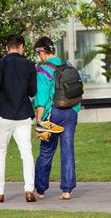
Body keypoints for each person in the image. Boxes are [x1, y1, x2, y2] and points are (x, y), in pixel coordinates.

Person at [0, 34, 37, 203]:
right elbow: (33, 91)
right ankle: (29, 191)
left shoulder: (0, 64)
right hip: (24, 114)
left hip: (4, 114)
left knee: (0, 152)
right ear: (22, 47)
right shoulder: (29, 65)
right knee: (26, 153)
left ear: (6, 48)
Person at [33, 36, 81, 200]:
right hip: (71, 111)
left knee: (46, 151)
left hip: (53, 113)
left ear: (42, 51)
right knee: (68, 149)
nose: (38, 56)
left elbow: (42, 98)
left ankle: (40, 189)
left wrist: (39, 120)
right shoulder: (69, 64)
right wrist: (75, 109)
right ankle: (67, 190)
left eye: (38, 52)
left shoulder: (43, 69)